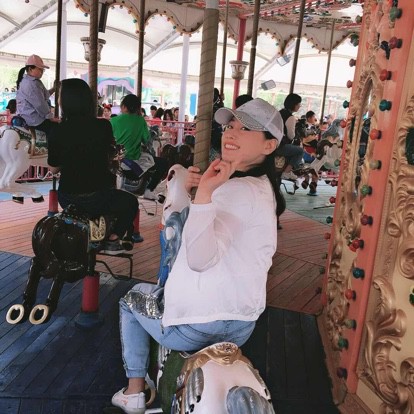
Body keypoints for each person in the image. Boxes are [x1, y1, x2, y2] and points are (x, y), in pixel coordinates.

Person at [111, 98, 286, 414]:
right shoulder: (263, 188)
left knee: (131, 300)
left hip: (195, 324)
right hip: (243, 324)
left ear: (269, 145)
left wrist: (202, 194)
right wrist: (203, 189)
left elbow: (198, 258)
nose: (231, 132)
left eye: (246, 128)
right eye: (230, 125)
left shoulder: (234, 190)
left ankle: (134, 391)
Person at [47, 78, 138, 255]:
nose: (58, 100)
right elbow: (110, 156)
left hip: (67, 197)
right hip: (98, 196)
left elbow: (53, 169)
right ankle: (113, 239)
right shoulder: (103, 126)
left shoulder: (57, 131)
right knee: (130, 202)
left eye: (60, 96)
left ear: (66, 101)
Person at [110, 94, 168, 200]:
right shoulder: (140, 121)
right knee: (162, 163)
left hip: (115, 163)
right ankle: (149, 190)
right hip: (134, 163)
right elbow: (146, 140)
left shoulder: (113, 121)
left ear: (124, 106)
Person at [16, 54, 59, 135]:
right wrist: (50, 117)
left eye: (42, 70)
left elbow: (45, 95)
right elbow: (40, 104)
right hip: (33, 120)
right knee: (56, 130)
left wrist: (54, 89)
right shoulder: (31, 84)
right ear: (30, 69)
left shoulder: (34, 81)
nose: (42, 72)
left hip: (30, 117)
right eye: (40, 69)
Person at [275, 93, 304, 180]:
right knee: (300, 151)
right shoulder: (290, 117)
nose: (299, 106)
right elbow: (291, 136)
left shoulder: (279, 113)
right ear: (294, 104)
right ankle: (287, 172)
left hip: (272, 142)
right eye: (298, 104)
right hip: (280, 145)